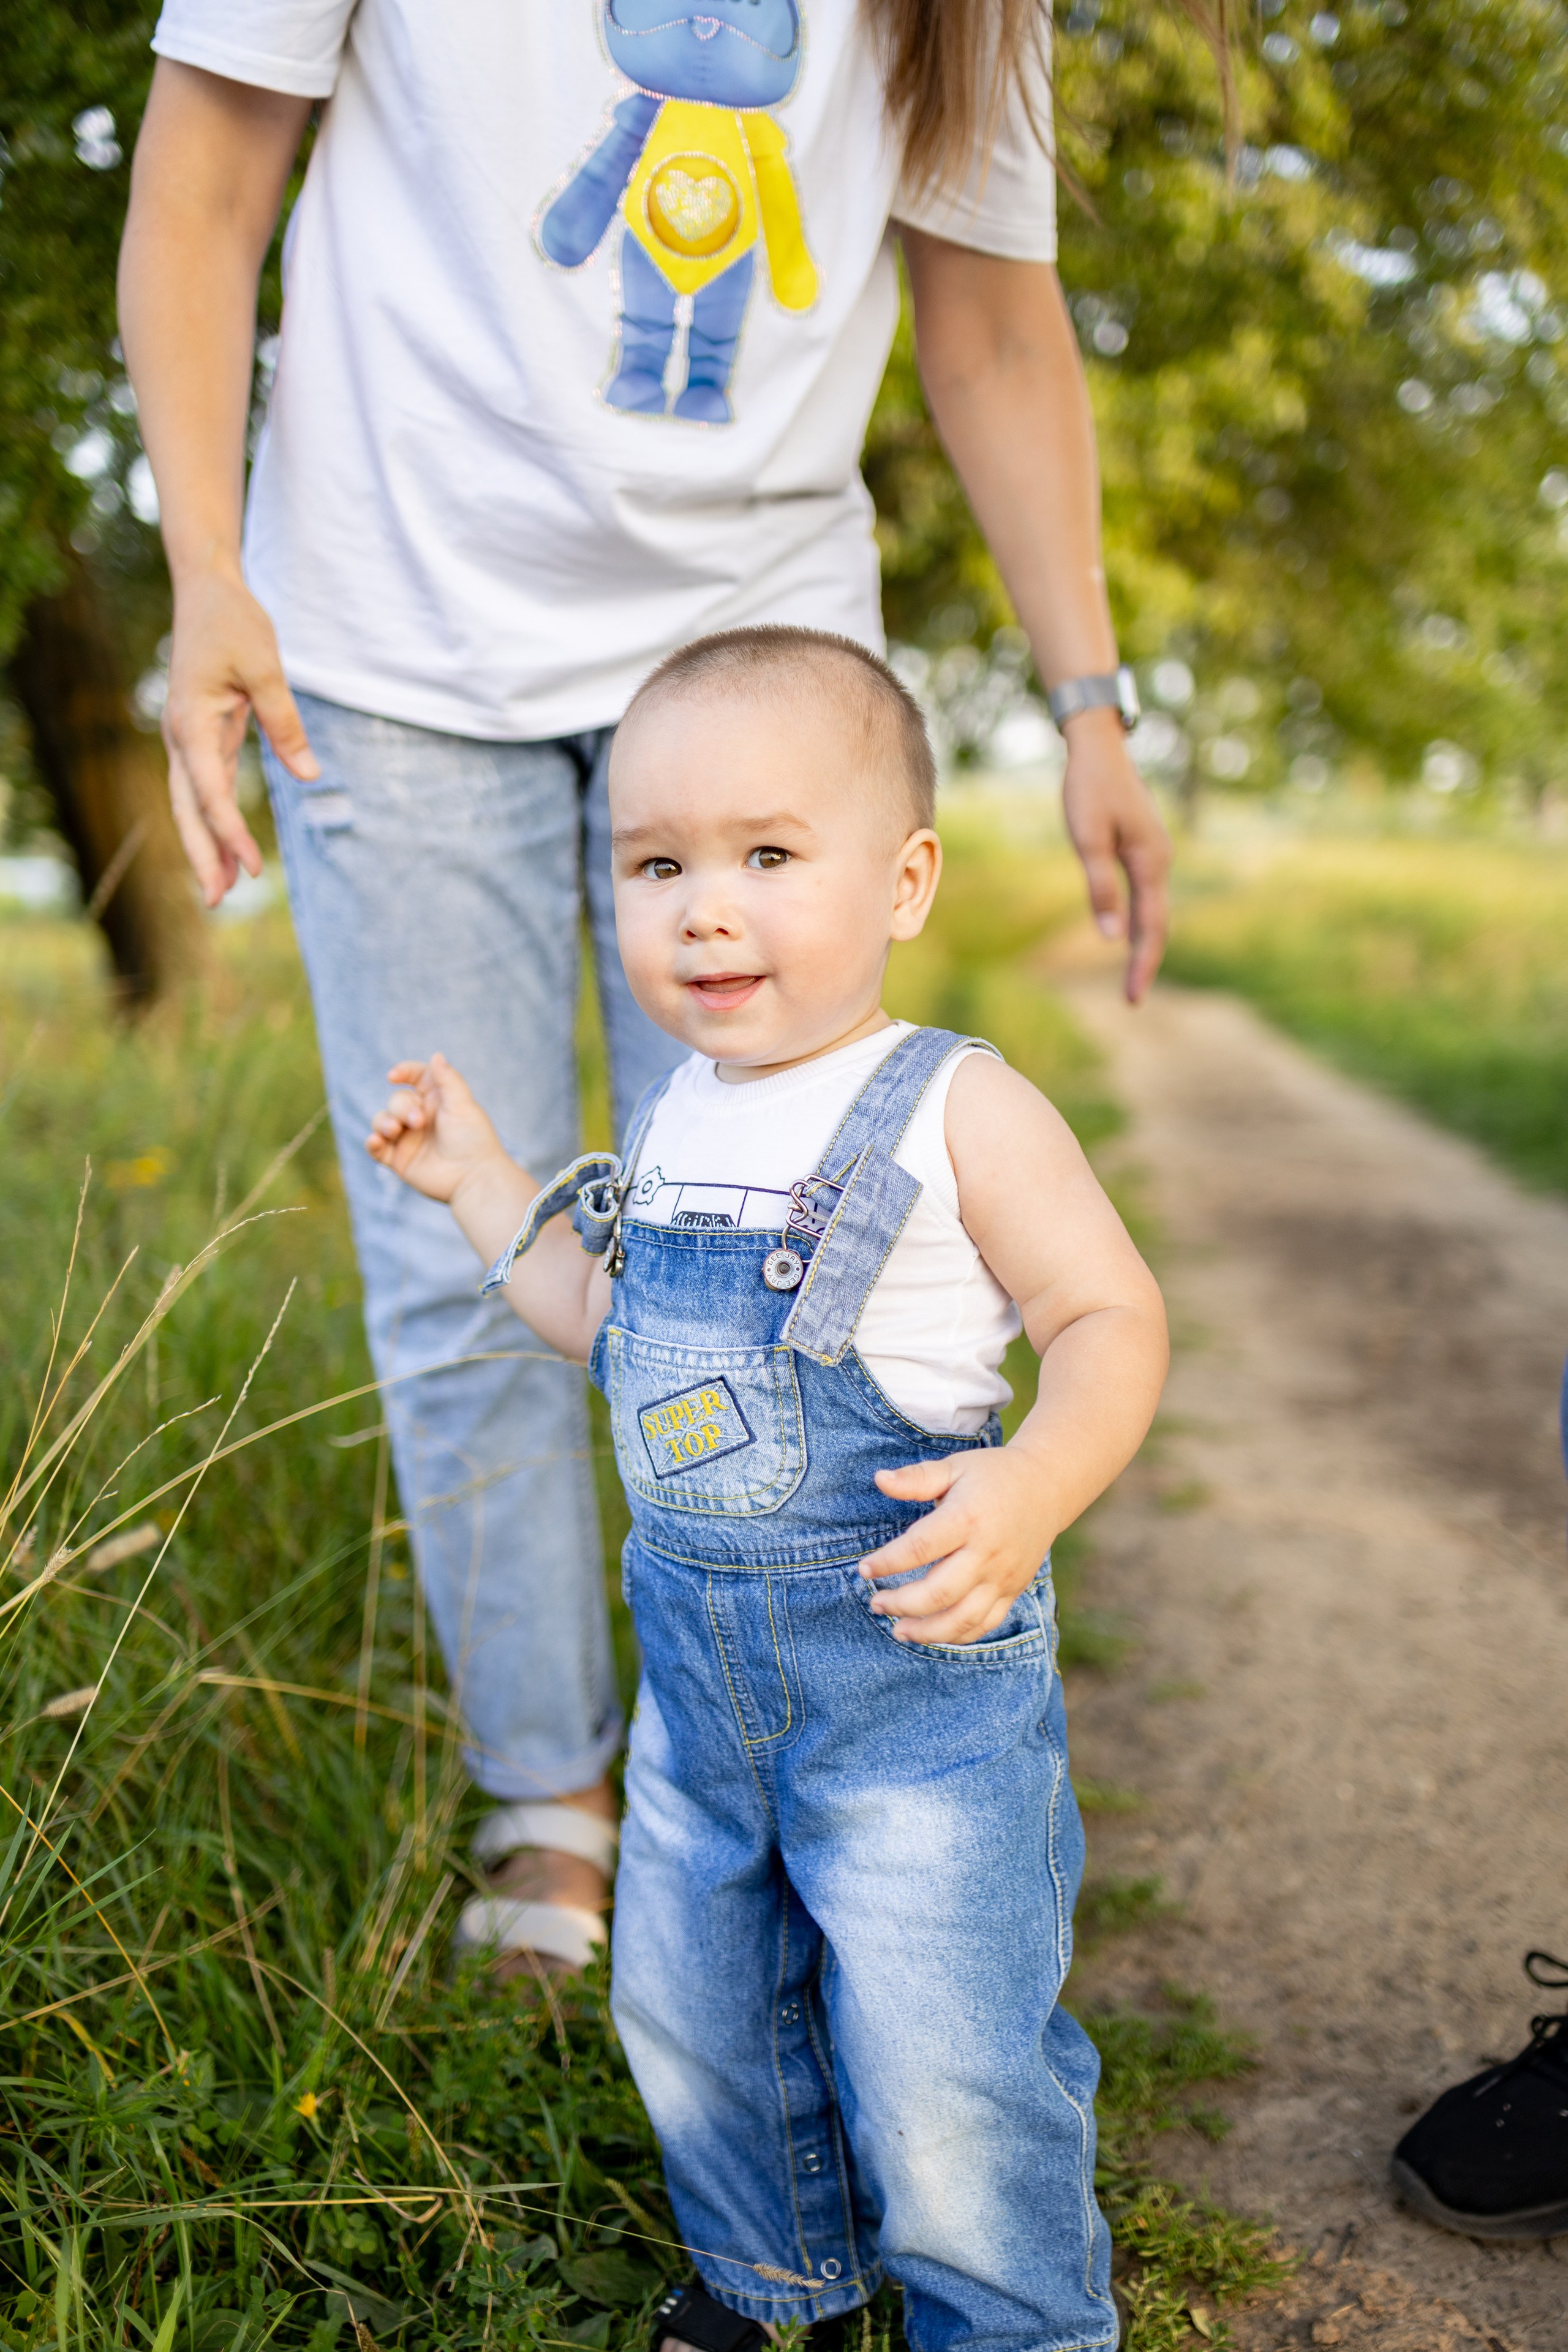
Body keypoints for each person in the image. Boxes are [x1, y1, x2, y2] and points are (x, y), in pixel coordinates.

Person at [118, 0, 1172, 1976]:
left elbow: (996, 322)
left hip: (760, 647)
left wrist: (1092, 702)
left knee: (771, 1235)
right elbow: (204, 172)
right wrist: (204, 568)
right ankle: (552, 1795)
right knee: (463, 1247)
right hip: (392, 636)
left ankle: (802, 1763)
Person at [365, 625, 1168, 2350]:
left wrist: (1034, 1484)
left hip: (911, 1691)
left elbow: (1110, 1319)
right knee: (693, 2005)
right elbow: (602, 1325)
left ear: (904, 881)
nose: (702, 909)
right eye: (656, 864)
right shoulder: (670, 1121)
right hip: (701, 1703)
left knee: (943, 2040)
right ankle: (771, 2271)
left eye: (766, 856)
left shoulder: (958, 1105)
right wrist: (480, 1182)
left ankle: (1017, 2321)